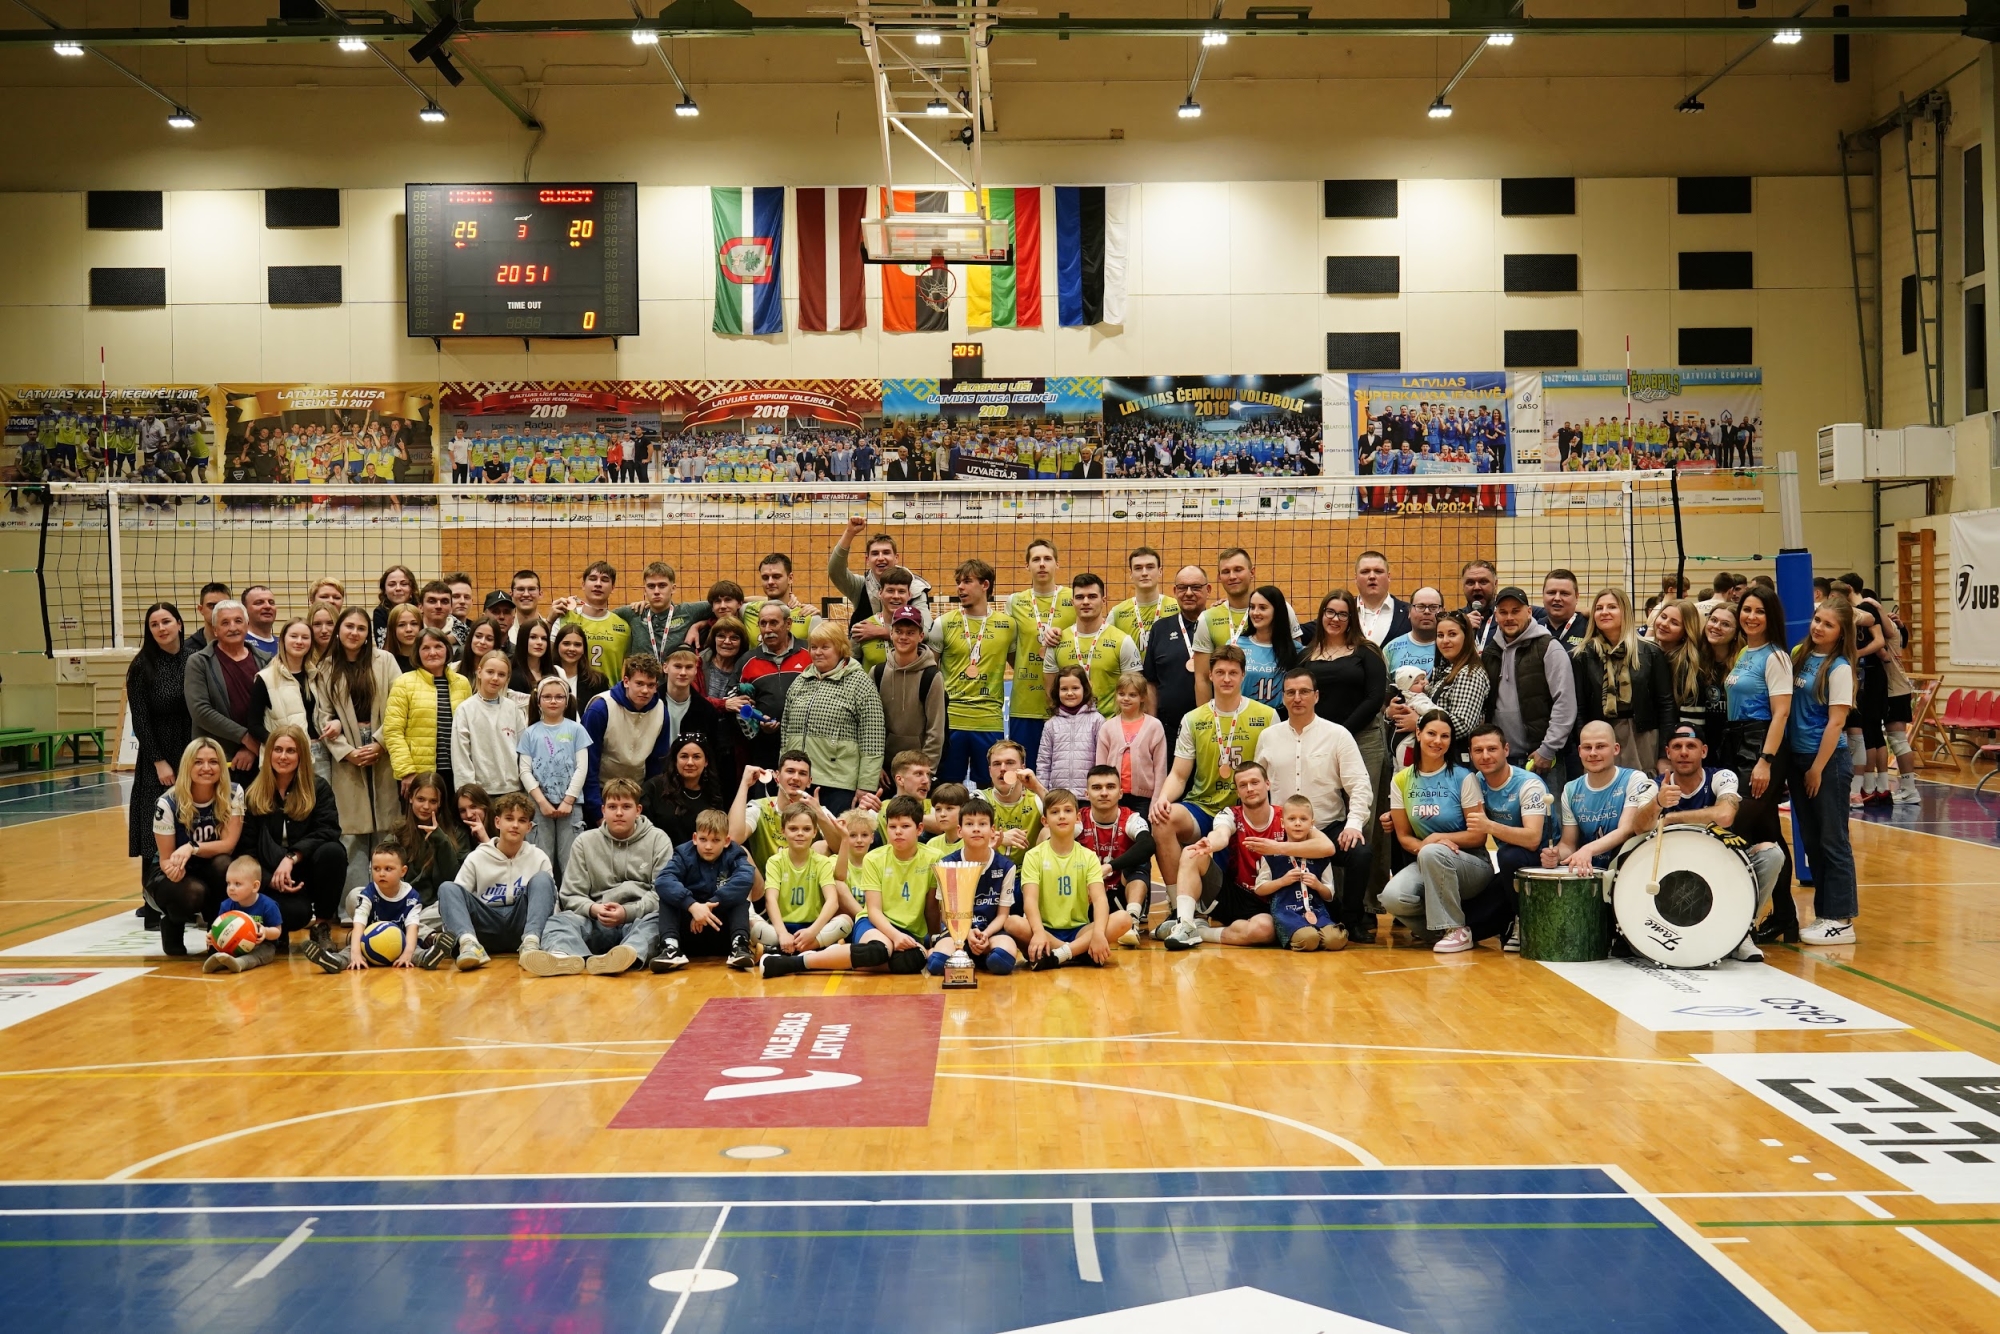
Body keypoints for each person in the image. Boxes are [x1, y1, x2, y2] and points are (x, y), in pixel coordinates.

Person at [1148, 644, 1279, 911]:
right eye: (1220, 672)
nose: (1226, 679)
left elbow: (1274, 774)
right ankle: (1178, 907)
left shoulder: (1266, 716)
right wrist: (1162, 799)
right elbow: (1179, 774)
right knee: (1163, 820)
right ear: (1210, 675)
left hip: (1246, 810)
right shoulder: (1194, 719)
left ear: (1243, 675)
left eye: (1233, 672)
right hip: (1204, 806)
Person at [1158, 759, 1331, 951]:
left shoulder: (1287, 816)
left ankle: (1201, 932)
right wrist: (1210, 843)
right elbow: (1221, 834)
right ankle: (1184, 924)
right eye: (1243, 785)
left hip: (1278, 899)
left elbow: (1327, 847)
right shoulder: (1231, 814)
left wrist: (1277, 847)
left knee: (1264, 930)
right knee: (1193, 852)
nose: (1249, 788)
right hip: (1237, 895)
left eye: (1255, 782)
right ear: (1237, 791)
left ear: (1267, 784)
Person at [1255, 668, 1374, 939]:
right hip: (1282, 831)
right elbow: (1258, 784)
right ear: (1283, 697)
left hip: (1327, 828)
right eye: (1290, 692)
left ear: (1316, 696)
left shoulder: (1338, 735)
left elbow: (1359, 783)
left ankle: (1351, 921)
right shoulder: (1268, 737)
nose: (1297, 698)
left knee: (1360, 853)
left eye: (1304, 692)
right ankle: (1275, 917)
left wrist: (1354, 824)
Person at [1654, 724, 1783, 963]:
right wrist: (1657, 804)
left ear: (1703, 751)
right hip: (1673, 874)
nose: (1684, 752)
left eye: (1691, 746)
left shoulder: (1721, 777)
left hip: (1720, 868)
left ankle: (1742, 932)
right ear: (1668, 753)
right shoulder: (1655, 785)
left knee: (1772, 854)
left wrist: (1670, 818)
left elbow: (1725, 815)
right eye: (1677, 746)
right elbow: (1638, 827)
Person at [524, 778, 672, 976]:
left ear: (638, 810)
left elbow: (662, 892)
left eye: (626, 806)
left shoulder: (658, 839)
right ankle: (563, 956)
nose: (619, 813)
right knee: (559, 921)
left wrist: (627, 912)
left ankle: (627, 955)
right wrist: (594, 909)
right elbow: (571, 894)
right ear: (603, 810)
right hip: (596, 919)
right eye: (612, 806)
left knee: (658, 922)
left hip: (638, 918)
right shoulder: (584, 842)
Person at [1381, 711, 1490, 953]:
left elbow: (1478, 836)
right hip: (1426, 859)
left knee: (1433, 852)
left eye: (1445, 736)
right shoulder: (1401, 780)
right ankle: (1437, 931)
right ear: (1418, 733)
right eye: (1431, 733)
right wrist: (1427, 846)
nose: (1437, 741)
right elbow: (1403, 836)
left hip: (1471, 864)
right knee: (1392, 898)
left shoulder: (1464, 777)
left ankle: (1456, 929)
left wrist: (1438, 840)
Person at [1726, 587, 1799, 945]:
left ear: (1772, 617)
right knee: (1769, 833)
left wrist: (1766, 761)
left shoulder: (1777, 657)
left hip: (1761, 745)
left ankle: (1736, 916)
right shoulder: (1744, 651)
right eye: (1746, 609)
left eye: (1759, 611)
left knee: (1735, 823)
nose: (1751, 617)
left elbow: (1781, 713)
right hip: (1738, 740)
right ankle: (1786, 916)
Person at [1788, 596, 1861, 945]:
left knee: (1834, 840)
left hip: (1827, 762)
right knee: (1813, 841)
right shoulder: (1800, 654)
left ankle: (1842, 919)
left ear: (1841, 632)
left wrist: (1817, 768)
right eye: (1818, 619)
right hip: (1800, 759)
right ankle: (1824, 914)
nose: (1819, 627)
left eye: (1828, 624)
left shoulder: (1840, 667)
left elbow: (1836, 723)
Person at [315, 606, 402, 885]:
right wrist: (346, 752)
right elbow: (322, 716)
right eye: (349, 626)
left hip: (382, 747)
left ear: (368, 634)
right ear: (338, 630)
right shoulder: (325, 667)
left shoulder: (385, 660)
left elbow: (400, 706)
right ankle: (352, 903)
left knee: (387, 830)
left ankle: (388, 898)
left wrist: (380, 743)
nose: (354, 632)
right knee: (351, 833)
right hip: (346, 754)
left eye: (361, 628)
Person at [241, 724, 345, 943]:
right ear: (269, 753)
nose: (283, 756)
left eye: (291, 751)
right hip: (271, 875)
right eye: (278, 750)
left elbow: (328, 831)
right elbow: (246, 849)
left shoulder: (318, 788)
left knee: (333, 852)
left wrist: (292, 857)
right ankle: (276, 932)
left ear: (301, 755)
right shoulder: (253, 793)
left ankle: (322, 927)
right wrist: (269, 880)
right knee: (296, 914)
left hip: (307, 869)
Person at [435, 791, 558, 970]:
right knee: (448, 888)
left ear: (529, 827)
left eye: (522, 820)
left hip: (523, 925)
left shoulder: (539, 857)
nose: (515, 825)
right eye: (509, 818)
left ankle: (531, 945)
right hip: (486, 925)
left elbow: (551, 903)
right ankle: (469, 945)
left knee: (543, 880)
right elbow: (456, 901)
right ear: (497, 822)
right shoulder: (477, 857)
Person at [144, 737, 245, 954]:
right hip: (169, 871)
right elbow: (166, 859)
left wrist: (192, 847)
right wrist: (174, 870)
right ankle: (173, 923)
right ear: (187, 766)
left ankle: (217, 936)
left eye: (213, 762)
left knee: (225, 866)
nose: (206, 768)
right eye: (198, 762)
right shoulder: (167, 803)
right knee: (193, 892)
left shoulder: (234, 793)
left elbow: (228, 845)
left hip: (209, 864)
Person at [778, 623, 886, 815]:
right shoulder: (800, 681)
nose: (817, 652)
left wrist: (866, 786)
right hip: (799, 781)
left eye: (825, 647)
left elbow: (873, 739)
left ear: (840, 649)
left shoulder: (860, 683)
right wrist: (783, 772)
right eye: (813, 647)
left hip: (839, 785)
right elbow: (785, 732)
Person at [126, 602, 194, 896]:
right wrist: (158, 761)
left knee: (190, 821)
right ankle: (151, 897)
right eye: (154, 624)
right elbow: (140, 720)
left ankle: (186, 893)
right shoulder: (141, 667)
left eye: (166, 621)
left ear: (179, 624)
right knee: (155, 825)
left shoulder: (194, 659)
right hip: (159, 754)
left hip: (192, 751)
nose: (161, 628)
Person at [1572, 587, 1677, 772]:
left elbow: (1666, 705)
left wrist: (1664, 753)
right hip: (1600, 736)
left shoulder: (1650, 652)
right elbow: (1579, 708)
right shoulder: (1582, 655)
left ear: (1625, 612)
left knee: (1642, 786)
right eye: (1599, 608)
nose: (1604, 612)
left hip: (1642, 734)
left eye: (1612, 607)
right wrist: (1584, 745)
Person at [1465, 723, 1549, 953]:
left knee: (1508, 855)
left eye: (1492, 749)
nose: (1485, 756)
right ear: (1470, 754)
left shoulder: (1529, 784)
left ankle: (1523, 922)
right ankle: (1508, 919)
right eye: (1478, 750)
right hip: (1508, 868)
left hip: (1541, 860)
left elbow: (1533, 838)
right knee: (1470, 924)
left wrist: (1489, 825)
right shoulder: (1475, 781)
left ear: (1506, 750)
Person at [1544, 720, 1660, 881]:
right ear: (1579, 751)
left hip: (1628, 871)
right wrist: (1556, 855)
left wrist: (1588, 849)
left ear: (1616, 749)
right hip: (1589, 873)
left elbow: (1626, 830)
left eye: (1600, 746)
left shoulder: (1634, 779)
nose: (1593, 753)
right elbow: (1568, 844)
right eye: (1587, 747)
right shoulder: (1571, 789)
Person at [1482, 585, 1576, 781]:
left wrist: (1548, 749)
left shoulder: (1549, 648)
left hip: (1541, 759)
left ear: (1529, 612)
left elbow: (1565, 703)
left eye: (1516, 611)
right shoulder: (1491, 652)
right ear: (1496, 616)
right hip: (1501, 759)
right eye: (1503, 612)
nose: (1509, 617)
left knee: (1548, 803)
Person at [923, 797, 1021, 975]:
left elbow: (1003, 915)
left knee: (1002, 961)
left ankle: (977, 954)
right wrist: (966, 934)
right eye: (969, 824)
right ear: (959, 831)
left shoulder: (1006, 866)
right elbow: (945, 914)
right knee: (937, 964)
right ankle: (963, 953)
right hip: (956, 933)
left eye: (982, 824)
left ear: (992, 830)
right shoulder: (947, 864)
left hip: (991, 933)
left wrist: (985, 935)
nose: (976, 828)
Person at [653, 807, 757, 971]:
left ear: (726, 841)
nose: (708, 846)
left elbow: (745, 879)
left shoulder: (735, 854)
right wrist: (692, 905)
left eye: (715, 840)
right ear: (695, 838)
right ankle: (670, 947)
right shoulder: (683, 854)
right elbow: (663, 880)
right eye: (703, 839)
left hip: (720, 927)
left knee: (739, 899)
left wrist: (711, 905)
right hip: (690, 929)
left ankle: (739, 946)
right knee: (668, 897)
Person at [749, 801, 855, 959]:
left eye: (806, 829)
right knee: (751, 924)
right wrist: (782, 933)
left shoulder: (822, 862)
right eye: (793, 829)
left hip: (813, 927)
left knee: (846, 921)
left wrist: (812, 932)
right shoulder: (775, 861)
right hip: (780, 929)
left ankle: (779, 950)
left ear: (814, 832)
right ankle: (813, 949)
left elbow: (832, 902)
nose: (800, 833)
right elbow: (770, 900)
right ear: (783, 831)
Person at [1003, 538, 1076, 768]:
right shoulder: (1015, 601)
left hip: (1066, 702)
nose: (1042, 564)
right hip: (1025, 704)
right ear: (1027, 566)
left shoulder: (1074, 598)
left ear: (1057, 564)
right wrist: (1024, 667)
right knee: (1025, 771)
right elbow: (1011, 649)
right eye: (1036, 559)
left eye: (1047, 559)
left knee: (1065, 770)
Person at [304, 840, 427, 972]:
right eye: (376, 869)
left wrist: (407, 954)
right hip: (369, 946)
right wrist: (356, 954)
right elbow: (359, 925)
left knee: (415, 950)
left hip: (400, 945)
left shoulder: (411, 897)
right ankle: (334, 961)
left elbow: (412, 929)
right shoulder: (368, 894)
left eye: (388, 869)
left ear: (403, 871)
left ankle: (427, 957)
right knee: (350, 952)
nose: (381, 873)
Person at [581, 653, 673, 823]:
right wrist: (597, 813)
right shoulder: (600, 709)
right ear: (626, 681)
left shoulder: (661, 711)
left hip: (636, 793)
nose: (645, 691)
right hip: (601, 792)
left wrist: (648, 805)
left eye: (651, 685)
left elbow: (657, 766)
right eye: (639, 683)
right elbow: (587, 765)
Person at [184, 599, 270, 779]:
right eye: (225, 623)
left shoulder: (266, 660)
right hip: (217, 758)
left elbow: (273, 709)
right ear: (215, 630)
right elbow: (200, 711)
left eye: (238, 621)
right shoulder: (199, 662)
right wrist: (245, 738)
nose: (233, 627)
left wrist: (251, 748)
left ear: (247, 625)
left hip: (259, 754)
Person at [1044, 573, 1142, 729]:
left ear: (1104, 600)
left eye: (1092, 596)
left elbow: (1134, 691)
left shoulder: (1123, 641)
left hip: (1111, 728)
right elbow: (1051, 693)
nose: (1085, 602)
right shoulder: (1056, 641)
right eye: (1080, 597)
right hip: (1070, 730)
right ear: (1072, 602)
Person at [384, 629, 472, 798]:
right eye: (425, 648)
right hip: (418, 774)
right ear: (417, 652)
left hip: (457, 773)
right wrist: (406, 771)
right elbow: (393, 731)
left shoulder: (462, 683)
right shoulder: (403, 683)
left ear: (447, 649)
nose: (432, 653)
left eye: (438, 646)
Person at [1076, 765, 1157, 943]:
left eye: (1110, 787)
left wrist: (1109, 867)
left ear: (1120, 793)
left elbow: (1148, 844)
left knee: (1140, 861)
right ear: (1087, 794)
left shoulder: (1131, 818)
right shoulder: (1078, 820)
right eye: (1097, 788)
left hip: (1121, 898)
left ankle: (1132, 922)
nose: (1104, 793)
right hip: (1087, 897)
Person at [871, 605, 946, 781]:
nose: (903, 637)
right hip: (884, 770)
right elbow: (870, 725)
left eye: (910, 632)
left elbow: (935, 730)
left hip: (917, 770)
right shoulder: (877, 673)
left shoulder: (932, 676)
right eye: (899, 631)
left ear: (921, 636)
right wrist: (874, 765)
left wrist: (925, 772)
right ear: (891, 633)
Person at [1140, 565, 1208, 756]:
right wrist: (1153, 725)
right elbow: (1151, 682)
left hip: (1212, 728)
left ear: (1208, 590)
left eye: (1196, 587)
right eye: (1182, 587)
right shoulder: (1160, 629)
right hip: (1169, 730)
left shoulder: (1217, 624)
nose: (1189, 593)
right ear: (1174, 591)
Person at [741, 601, 814, 771]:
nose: (768, 629)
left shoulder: (810, 652)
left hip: (808, 746)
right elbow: (735, 701)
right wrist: (757, 723)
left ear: (788, 624)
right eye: (763, 624)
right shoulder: (747, 660)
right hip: (765, 750)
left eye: (773, 623)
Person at [388, 772, 465, 931]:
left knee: (454, 907)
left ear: (440, 803)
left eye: (433, 801)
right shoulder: (398, 832)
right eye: (421, 799)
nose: (426, 807)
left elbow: (455, 881)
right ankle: (421, 933)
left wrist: (441, 840)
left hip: (432, 908)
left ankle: (398, 928)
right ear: (411, 798)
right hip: (401, 904)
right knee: (355, 897)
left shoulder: (457, 833)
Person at [828, 517, 933, 627]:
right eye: (875, 553)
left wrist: (883, 632)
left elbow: (926, 630)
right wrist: (849, 533)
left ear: (896, 558)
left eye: (886, 552)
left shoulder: (915, 588)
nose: (881, 558)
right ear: (867, 560)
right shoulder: (860, 586)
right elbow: (835, 571)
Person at [452, 650, 528, 796]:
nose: (495, 678)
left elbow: (523, 749)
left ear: (507, 678)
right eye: (490, 672)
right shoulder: (465, 709)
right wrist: (467, 793)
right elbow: (461, 756)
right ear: (479, 672)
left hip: (512, 790)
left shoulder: (512, 708)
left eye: (501, 674)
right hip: (480, 793)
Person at [202, 856, 287, 974]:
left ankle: (240, 963)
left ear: (255, 886)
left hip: (261, 946)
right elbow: (220, 927)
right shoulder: (226, 905)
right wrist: (212, 935)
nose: (231, 888)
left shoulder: (268, 905)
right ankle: (216, 963)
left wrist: (265, 932)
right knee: (222, 952)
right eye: (228, 883)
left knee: (262, 954)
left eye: (237, 884)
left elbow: (277, 931)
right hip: (233, 946)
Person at [1097, 672, 1167, 813]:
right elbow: (1100, 767)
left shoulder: (1154, 726)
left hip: (1144, 800)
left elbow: (1160, 768)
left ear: (1143, 697)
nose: (1126, 699)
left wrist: (1156, 801)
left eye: (1132, 695)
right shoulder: (1107, 727)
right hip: (1113, 797)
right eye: (1121, 694)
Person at [1651, 598, 1715, 750]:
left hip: (1678, 746)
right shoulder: (1650, 653)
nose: (1664, 624)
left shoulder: (1688, 666)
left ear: (1686, 631)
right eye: (1663, 617)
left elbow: (1693, 721)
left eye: (1674, 623)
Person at [643, 734, 729, 847]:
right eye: (684, 756)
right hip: (660, 854)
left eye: (696, 757)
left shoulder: (713, 792)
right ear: (675, 760)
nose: (690, 762)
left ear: (706, 761)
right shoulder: (654, 787)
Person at [619, 561, 712, 662]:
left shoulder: (688, 611)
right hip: (641, 672)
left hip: (678, 672)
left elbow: (724, 607)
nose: (656, 591)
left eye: (662, 585)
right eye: (651, 586)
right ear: (645, 590)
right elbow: (605, 616)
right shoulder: (634, 612)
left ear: (673, 588)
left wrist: (699, 625)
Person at [1040, 666, 1103, 796]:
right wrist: (1043, 794)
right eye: (1064, 689)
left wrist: (1099, 790)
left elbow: (1102, 761)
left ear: (1085, 689)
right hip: (1058, 796)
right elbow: (1043, 763)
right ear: (1057, 691)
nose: (1069, 693)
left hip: (1088, 796)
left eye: (1075, 688)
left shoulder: (1097, 721)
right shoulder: (1051, 725)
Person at [743, 551, 820, 644]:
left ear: (790, 578)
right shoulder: (746, 611)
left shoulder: (809, 617)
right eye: (765, 577)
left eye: (776, 576)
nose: (770, 582)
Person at [1109, 546, 1170, 650]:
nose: (1144, 573)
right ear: (1130, 574)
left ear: (1160, 571)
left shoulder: (1177, 608)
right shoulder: (1117, 613)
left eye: (1150, 567)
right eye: (1138, 568)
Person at [549, 621, 611, 718]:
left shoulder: (598, 681)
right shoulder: (545, 677)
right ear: (557, 646)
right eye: (566, 644)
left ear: (583, 649)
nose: (572, 649)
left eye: (577, 645)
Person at [1352, 550, 1411, 647]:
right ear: (1356, 578)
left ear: (1388, 577)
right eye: (1365, 572)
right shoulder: (1345, 613)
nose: (1372, 576)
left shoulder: (1408, 613)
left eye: (1378, 571)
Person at [1381, 588, 1443, 677]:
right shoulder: (1391, 649)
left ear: (1443, 611)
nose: (1427, 612)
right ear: (1409, 611)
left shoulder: (1451, 646)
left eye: (1433, 607)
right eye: (1420, 607)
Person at [508, 616, 556, 697]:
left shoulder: (555, 672)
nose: (540, 642)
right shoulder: (514, 676)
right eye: (533, 637)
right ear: (523, 639)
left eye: (544, 638)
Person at [371, 565, 417, 648]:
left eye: (404, 584)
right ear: (384, 590)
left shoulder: (421, 609)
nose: (398, 588)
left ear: (412, 589)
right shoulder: (380, 613)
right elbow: (383, 647)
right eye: (392, 585)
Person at [1541, 569, 1587, 646]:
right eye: (1551, 593)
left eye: (1564, 593)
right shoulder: (1533, 630)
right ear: (1543, 596)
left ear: (1576, 597)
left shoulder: (1591, 629)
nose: (1557, 598)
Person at [183, 581, 231, 654]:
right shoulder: (186, 649)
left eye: (223, 606)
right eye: (212, 606)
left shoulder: (242, 644)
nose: (217, 611)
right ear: (201, 609)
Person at [454, 617, 502, 681]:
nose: (482, 642)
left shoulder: (500, 674)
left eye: (489, 639)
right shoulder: (453, 669)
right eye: (478, 636)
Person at [382, 603, 423, 674]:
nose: (409, 629)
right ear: (393, 629)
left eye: (414, 624)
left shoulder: (429, 659)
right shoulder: (383, 662)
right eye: (401, 625)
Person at [241, 584, 281, 657]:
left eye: (271, 602)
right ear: (245, 609)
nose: (268, 606)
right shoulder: (239, 643)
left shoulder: (283, 644)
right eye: (259, 603)